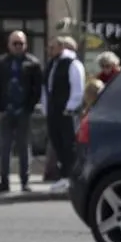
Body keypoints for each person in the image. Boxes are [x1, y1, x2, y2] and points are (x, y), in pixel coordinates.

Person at [0, 31, 42, 194]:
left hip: (23, 111)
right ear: (9, 45)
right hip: (5, 110)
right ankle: (4, 181)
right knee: (4, 147)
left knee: (24, 147)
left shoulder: (33, 63)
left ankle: (25, 181)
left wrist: (30, 107)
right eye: (15, 43)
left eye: (21, 43)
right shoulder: (0, 63)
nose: (18, 47)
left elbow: (37, 89)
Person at [42, 35, 85, 193]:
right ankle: (63, 175)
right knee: (57, 142)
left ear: (62, 47)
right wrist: (46, 108)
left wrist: (70, 107)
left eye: (52, 47)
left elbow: (77, 88)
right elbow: (46, 87)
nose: (49, 50)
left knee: (69, 143)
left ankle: (71, 176)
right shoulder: (52, 64)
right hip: (53, 111)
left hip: (66, 111)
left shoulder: (72, 64)